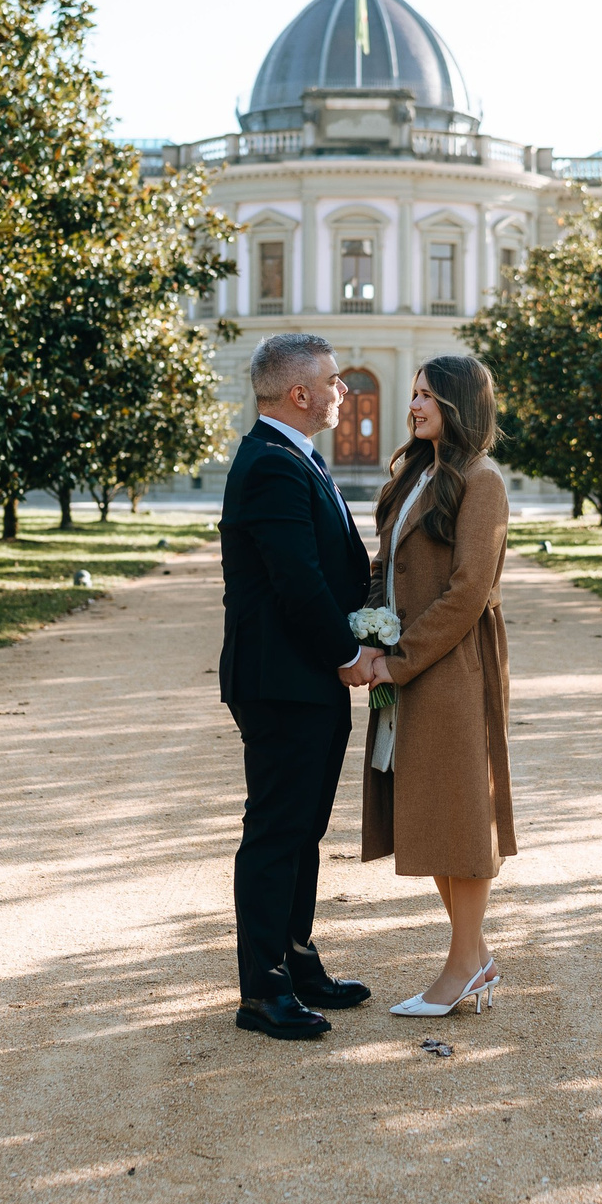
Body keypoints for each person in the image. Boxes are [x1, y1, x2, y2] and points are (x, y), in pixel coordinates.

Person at [217, 333, 384, 1040]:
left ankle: (296, 957)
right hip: (282, 679)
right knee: (277, 832)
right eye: (334, 380)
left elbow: (328, 564)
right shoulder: (271, 465)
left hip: (302, 677)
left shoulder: (293, 456)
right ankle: (263, 990)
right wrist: (349, 651)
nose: (342, 390)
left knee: (304, 830)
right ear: (300, 394)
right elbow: (298, 581)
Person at [360, 354, 516, 1016]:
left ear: (458, 404)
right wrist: (367, 642)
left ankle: (461, 967)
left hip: (454, 670)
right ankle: (475, 958)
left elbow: (467, 592)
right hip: (406, 668)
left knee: (460, 819)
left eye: (428, 394)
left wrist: (399, 660)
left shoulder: (483, 481)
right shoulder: (414, 476)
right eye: (414, 392)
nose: (414, 403)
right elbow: (386, 567)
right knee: (428, 814)